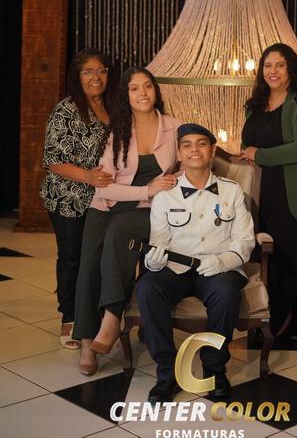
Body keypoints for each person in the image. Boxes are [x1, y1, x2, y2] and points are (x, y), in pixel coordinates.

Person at [135, 123, 255, 405]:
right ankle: (167, 372)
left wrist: (223, 261)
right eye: (187, 145)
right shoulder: (166, 194)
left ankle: (214, 370)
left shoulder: (232, 191)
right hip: (175, 269)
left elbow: (245, 240)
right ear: (179, 153)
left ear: (212, 150)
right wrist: (153, 262)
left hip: (218, 268)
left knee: (226, 292)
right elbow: (159, 240)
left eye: (201, 144)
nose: (195, 150)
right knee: (147, 287)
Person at [73, 67, 181, 376]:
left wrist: (166, 185)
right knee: (89, 262)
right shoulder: (117, 132)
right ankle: (86, 340)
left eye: (148, 86)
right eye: (135, 88)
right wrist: (146, 189)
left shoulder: (175, 128)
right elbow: (103, 187)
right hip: (109, 205)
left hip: (149, 211)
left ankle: (111, 317)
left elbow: (189, 164)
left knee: (119, 233)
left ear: (156, 91)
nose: (142, 93)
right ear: (127, 96)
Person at [239, 43, 297, 350]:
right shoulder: (255, 104)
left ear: (291, 69)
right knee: (269, 259)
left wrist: (259, 154)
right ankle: (268, 322)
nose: (273, 71)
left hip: (296, 193)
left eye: (280, 65)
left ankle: (296, 327)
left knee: (295, 261)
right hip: (262, 193)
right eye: (268, 65)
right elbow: (247, 145)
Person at [40, 49, 115, 350]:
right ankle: (69, 317)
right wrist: (87, 176)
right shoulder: (66, 109)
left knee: (97, 256)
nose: (96, 77)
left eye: (101, 71)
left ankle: (96, 314)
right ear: (77, 76)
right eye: (88, 71)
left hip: (104, 197)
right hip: (68, 196)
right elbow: (52, 160)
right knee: (72, 256)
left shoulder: (114, 106)